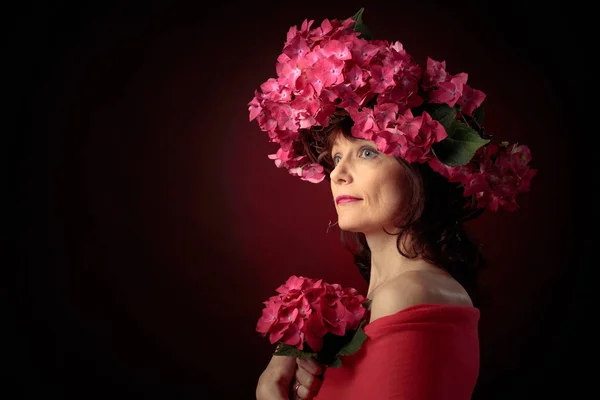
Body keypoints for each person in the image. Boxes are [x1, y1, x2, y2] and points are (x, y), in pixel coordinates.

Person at [251, 8, 536, 400]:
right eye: (336, 158)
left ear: (421, 166)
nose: (338, 174)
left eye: (367, 152)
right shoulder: (382, 299)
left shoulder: (409, 293)